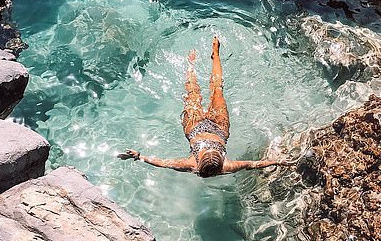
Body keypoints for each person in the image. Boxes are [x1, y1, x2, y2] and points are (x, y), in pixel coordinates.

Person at [119, 37, 294, 177]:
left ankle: (190, 65)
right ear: (222, 159)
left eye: (205, 152)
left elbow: (164, 163)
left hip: (193, 128)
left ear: (200, 161)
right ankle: (215, 54)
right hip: (219, 128)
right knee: (218, 89)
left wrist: (140, 156)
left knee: (192, 91)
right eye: (213, 151)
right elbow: (253, 164)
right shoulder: (229, 166)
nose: (208, 149)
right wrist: (277, 161)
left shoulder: (190, 164)